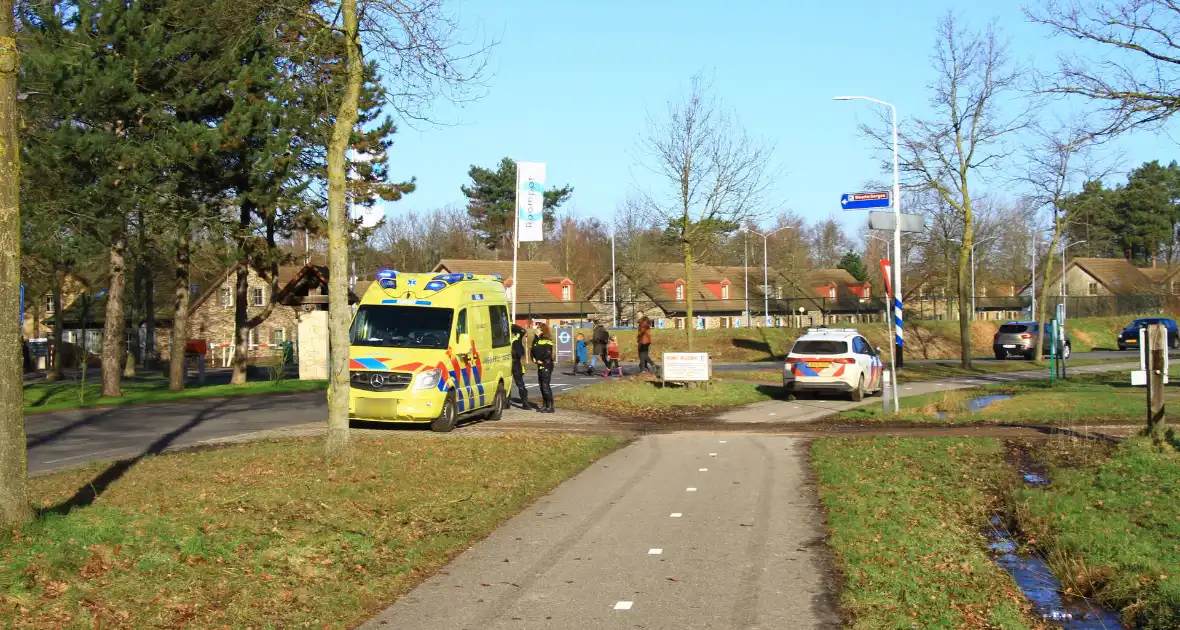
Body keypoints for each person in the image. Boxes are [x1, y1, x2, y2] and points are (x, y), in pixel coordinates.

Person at [531, 323, 556, 413]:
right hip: (540, 364)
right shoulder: (538, 340)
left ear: (542, 330)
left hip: (546, 365)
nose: (536, 329)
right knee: (542, 386)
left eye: (538, 328)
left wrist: (542, 360)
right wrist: (534, 358)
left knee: (545, 386)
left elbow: (548, 352)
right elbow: (533, 349)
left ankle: (550, 406)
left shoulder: (547, 340)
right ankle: (545, 404)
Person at [511, 323, 533, 409]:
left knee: (520, 383)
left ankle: (525, 402)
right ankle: (505, 402)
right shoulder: (503, 335)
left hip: (516, 361)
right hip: (506, 361)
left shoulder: (517, 335)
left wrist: (512, 325)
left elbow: (523, 331)